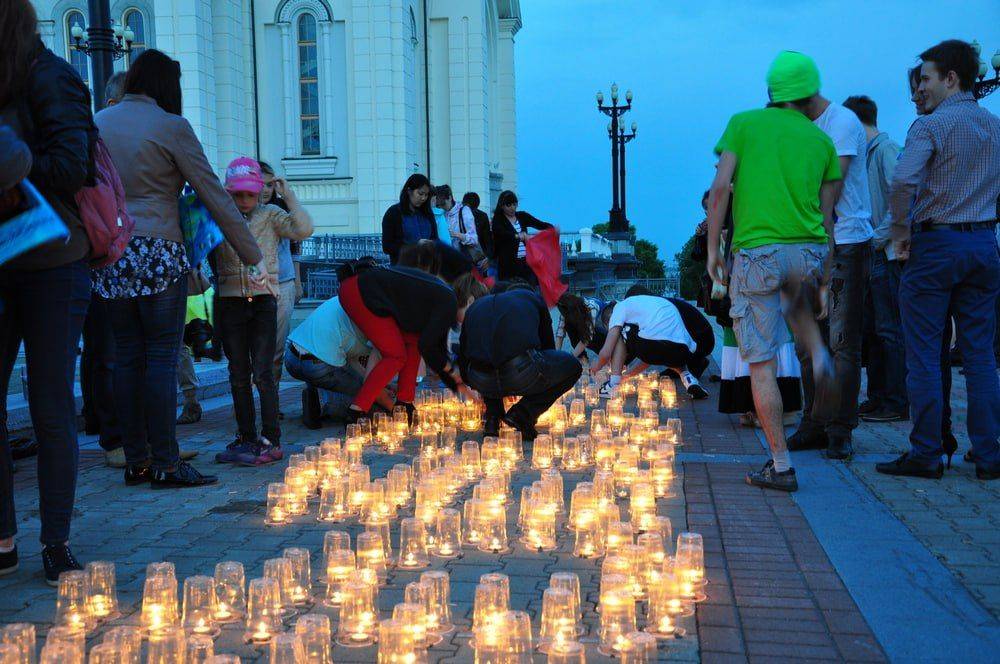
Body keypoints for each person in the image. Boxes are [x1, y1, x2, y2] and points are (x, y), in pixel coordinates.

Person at [94, 50, 265, 489]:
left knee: (127, 358)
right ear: (169, 86)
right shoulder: (171, 127)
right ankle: (167, 463)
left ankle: (137, 461)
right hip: (158, 250)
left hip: (112, 251)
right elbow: (211, 191)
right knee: (160, 357)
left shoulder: (99, 123)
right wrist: (251, 253)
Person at [706, 50, 842, 492]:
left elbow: (721, 187)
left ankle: (780, 465)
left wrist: (714, 250)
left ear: (771, 92)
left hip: (758, 251)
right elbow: (827, 216)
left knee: (761, 364)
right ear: (809, 94)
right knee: (797, 302)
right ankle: (817, 350)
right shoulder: (822, 142)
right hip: (807, 249)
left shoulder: (743, 124)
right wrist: (826, 276)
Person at [0, 0, 95, 582]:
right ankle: (4, 535)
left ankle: (55, 540)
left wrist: (14, 160)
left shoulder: (49, 73)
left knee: (50, 402)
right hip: (3, 259)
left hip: (52, 261)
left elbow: (74, 165)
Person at [877, 40, 1000, 481]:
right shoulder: (995, 126)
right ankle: (989, 454)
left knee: (925, 355)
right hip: (984, 245)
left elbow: (904, 181)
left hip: (936, 246)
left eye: (926, 78)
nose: (921, 88)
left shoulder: (929, 126)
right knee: (981, 356)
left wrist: (900, 233)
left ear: (951, 78)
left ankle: (927, 453)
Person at [778, 70, 872, 462]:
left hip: (845, 243)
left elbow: (825, 192)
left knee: (842, 343)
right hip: (803, 246)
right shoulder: (797, 126)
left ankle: (840, 429)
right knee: (806, 344)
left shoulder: (843, 123)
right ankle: (814, 422)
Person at [213, 158, 313, 465]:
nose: (244, 201)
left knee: (265, 372)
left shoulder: (270, 215)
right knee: (238, 373)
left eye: (249, 195)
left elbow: (303, 229)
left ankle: (271, 438)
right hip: (229, 302)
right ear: (228, 193)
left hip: (263, 302)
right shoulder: (220, 216)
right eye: (237, 195)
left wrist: (290, 196)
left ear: (260, 193)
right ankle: (246, 437)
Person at [339, 265, 483, 421]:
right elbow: (430, 349)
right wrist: (456, 378)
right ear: (470, 301)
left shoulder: (446, 300)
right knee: (395, 356)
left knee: (413, 344)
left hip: (365, 291)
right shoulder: (448, 303)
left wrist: (459, 384)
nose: (473, 322)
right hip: (360, 292)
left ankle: (405, 403)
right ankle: (355, 411)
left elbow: (428, 347)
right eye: (476, 313)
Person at [842, 95, 907, 423]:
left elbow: (901, 202)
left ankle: (895, 401)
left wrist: (875, 239)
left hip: (886, 253)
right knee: (874, 331)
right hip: (873, 253)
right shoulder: (867, 155)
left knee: (890, 330)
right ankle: (879, 396)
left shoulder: (885, 151)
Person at [459, 283, 583, 439]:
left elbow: (463, 357)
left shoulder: (478, 305)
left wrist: (477, 384)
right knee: (573, 367)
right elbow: (548, 351)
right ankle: (523, 413)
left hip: (479, 378)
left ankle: (492, 418)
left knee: (490, 353)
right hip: (521, 373)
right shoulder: (534, 299)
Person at [286, 292, 394, 428]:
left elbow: (354, 363)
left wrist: (383, 386)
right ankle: (333, 409)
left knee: (333, 364)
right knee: (369, 402)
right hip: (318, 366)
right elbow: (369, 383)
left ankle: (312, 397)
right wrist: (397, 408)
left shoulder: (345, 299)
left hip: (291, 358)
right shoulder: (375, 321)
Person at [591, 294, 714, 400]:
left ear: (609, 319)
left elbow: (606, 352)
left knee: (619, 334)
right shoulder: (645, 307)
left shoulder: (618, 309)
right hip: (683, 351)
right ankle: (689, 379)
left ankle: (613, 385)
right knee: (668, 350)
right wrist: (628, 375)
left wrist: (596, 367)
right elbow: (651, 358)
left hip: (653, 345)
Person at [259, 161, 307, 391]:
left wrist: (297, 283)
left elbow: (296, 247)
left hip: (284, 283)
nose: (266, 189)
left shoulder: (281, 210)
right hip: (255, 287)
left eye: (270, 184)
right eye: (261, 184)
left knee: (277, 345)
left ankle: (272, 398)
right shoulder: (240, 214)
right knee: (257, 347)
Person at [491, 190, 554, 283]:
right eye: (509, 205)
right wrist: (517, 236)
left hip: (525, 263)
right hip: (508, 265)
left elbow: (538, 224)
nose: (512, 208)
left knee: (529, 287)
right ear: (502, 206)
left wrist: (552, 228)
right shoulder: (498, 220)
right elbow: (501, 234)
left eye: (514, 204)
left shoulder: (522, 216)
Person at [381, 173, 438, 264]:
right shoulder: (393, 213)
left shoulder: (428, 213)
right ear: (409, 191)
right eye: (420, 194)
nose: (423, 198)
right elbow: (387, 247)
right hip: (403, 271)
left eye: (426, 195)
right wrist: (415, 246)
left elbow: (435, 239)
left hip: (427, 270)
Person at [436, 185, 484, 265]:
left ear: (450, 198)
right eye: (438, 206)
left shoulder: (464, 211)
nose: (441, 208)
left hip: (463, 259)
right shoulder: (441, 213)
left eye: (443, 204)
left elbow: (474, 239)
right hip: (446, 259)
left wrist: (456, 235)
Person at [554, 292, 595, 363]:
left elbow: (587, 338)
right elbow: (560, 333)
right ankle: (582, 355)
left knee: (593, 337)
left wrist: (571, 357)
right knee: (568, 325)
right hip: (580, 320)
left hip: (598, 327)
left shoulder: (591, 308)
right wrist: (557, 355)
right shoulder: (566, 309)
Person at [464, 192, 495, 273]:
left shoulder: (460, 215)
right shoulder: (482, 216)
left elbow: (487, 239)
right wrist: (488, 257)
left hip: (472, 255)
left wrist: (487, 258)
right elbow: (487, 239)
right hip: (479, 256)